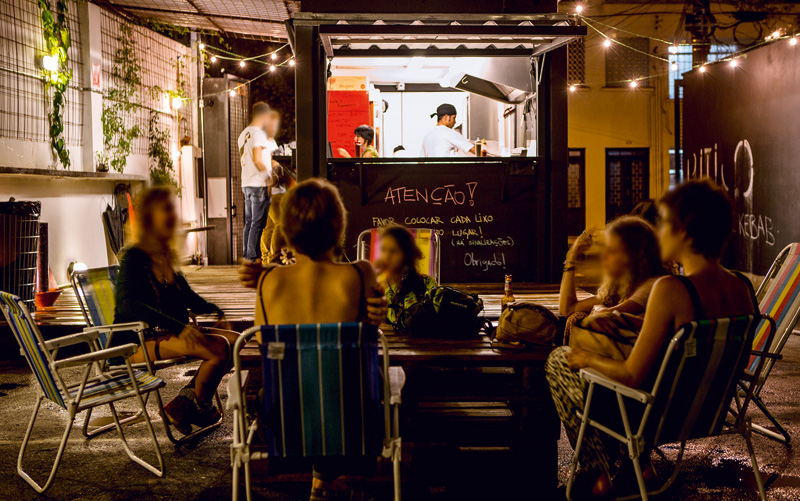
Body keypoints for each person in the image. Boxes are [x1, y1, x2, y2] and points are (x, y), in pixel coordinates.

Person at [546, 178, 757, 497]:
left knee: (560, 361)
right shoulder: (742, 287)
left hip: (653, 419)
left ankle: (597, 472)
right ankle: (626, 468)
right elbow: (739, 361)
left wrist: (585, 358)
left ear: (684, 232)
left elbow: (632, 375)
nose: (658, 234)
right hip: (705, 415)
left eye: (665, 224)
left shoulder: (671, 290)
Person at [243, 179, 384, 501]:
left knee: (298, 379)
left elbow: (266, 344)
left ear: (287, 230)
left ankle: (323, 479)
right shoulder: (361, 274)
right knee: (347, 378)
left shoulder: (269, 281)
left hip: (285, 422)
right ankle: (327, 477)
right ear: (339, 225)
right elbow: (367, 335)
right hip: (354, 421)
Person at [114, 187, 240, 435]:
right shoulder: (134, 256)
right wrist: (179, 327)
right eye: (167, 209)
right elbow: (128, 304)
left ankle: (185, 403)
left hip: (164, 332)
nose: (174, 214)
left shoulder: (164, 253)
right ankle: (197, 406)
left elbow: (187, 296)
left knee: (236, 341)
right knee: (218, 349)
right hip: (135, 342)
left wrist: (215, 311)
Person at [560, 216, 665, 319]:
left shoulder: (652, 285)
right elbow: (567, 309)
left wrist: (601, 309)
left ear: (634, 255)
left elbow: (608, 314)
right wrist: (571, 257)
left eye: (612, 250)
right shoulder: (621, 288)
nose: (604, 256)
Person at [375, 225, 438, 327]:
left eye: (393, 251)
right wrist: (372, 272)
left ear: (407, 255)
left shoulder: (426, 284)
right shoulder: (377, 289)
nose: (386, 256)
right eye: (383, 249)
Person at [238, 101, 272, 261]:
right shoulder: (258, 134)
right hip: (258, 183)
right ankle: (252, 257)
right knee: (258, 223)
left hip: (246, 182)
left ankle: (246, 255)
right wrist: (269, 178)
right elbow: (258, 159)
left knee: (249, 221)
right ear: (263, 115)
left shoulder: (243, 133)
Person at [260, 110, 291, 263]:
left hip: (264, 192)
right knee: (280, 223)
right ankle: (274, 256)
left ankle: (266, 257)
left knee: (269, 226)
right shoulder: (267, 142)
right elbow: (272, 162)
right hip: (274, 192)